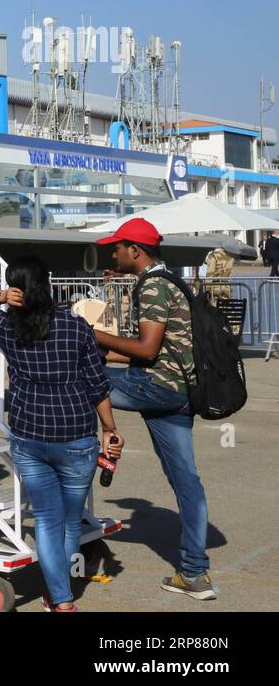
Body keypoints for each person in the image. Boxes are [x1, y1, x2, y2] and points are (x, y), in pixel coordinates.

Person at [0, 256, 125, 612]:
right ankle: (58, 591)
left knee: (48, 522)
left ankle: (61, 601)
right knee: (68, 521)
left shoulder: (6, 327)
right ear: (47, 286)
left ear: (18, 290)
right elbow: (97, 386)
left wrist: (2, 297)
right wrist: (111, 430)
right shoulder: (77, 327)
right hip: (76, 435)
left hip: (29, 434)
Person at [92, 218, 215, 601]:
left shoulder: (154, 285)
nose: (112, 253)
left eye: (117, 247)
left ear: (135, 250)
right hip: (177, 393)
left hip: (158, 388)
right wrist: (104, 348)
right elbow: (151, 350)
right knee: (187, 481)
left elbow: (145, 350)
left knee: (81, 381)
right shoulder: (169, 278)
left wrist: (89, 335)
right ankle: (195, 574)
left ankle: (73, 511)